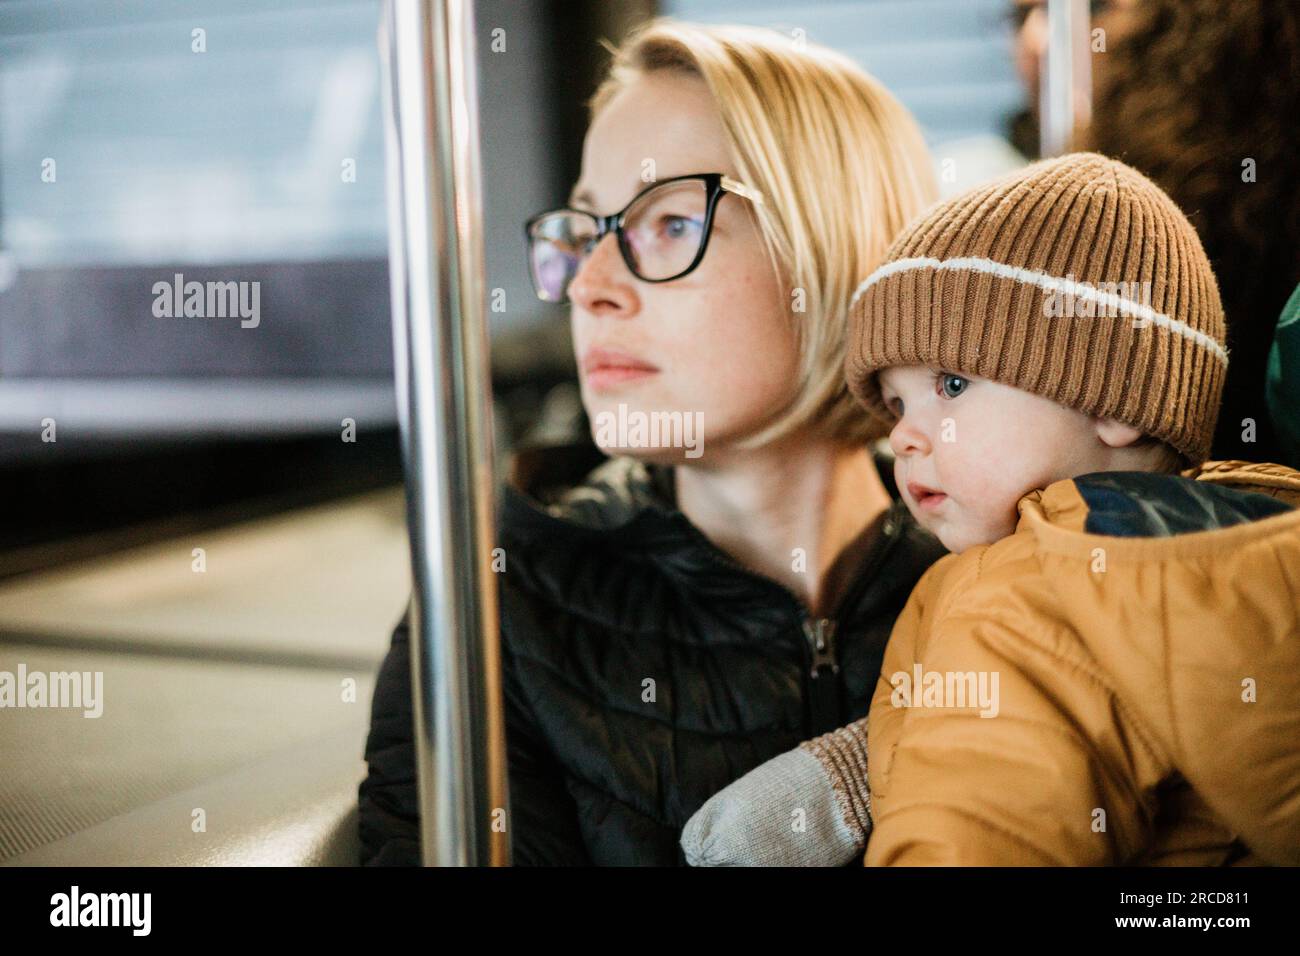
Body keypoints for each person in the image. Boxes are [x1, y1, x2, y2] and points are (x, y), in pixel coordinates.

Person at [358, 18, 946, 865]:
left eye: (669, 223)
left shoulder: (1007, 566)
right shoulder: (496, 604)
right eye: (586, 230)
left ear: (836, 248)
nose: (589, 287)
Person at [681, 153, 1300, 866]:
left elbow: (980, 817)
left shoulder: (1021, 595)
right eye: (896, 402)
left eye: (950, 383)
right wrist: (844, 778)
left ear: (1110, 401)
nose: (904, 436)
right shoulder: (1241, 537)